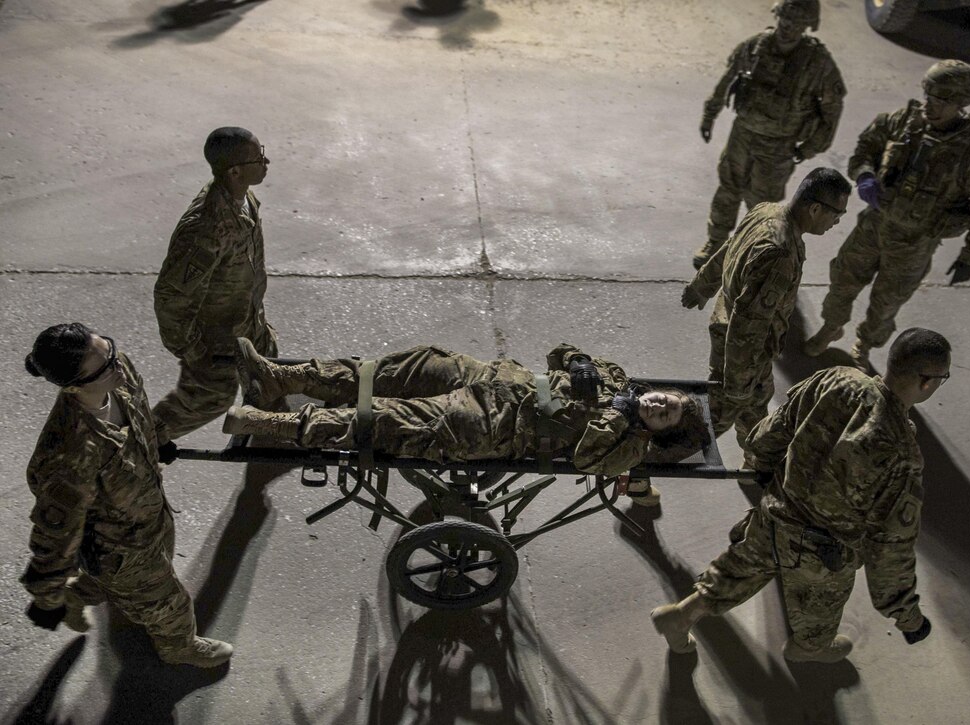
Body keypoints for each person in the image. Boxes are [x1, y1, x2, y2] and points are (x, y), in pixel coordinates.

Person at [650, 327, 948, 662]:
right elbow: (891, 549)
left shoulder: (836, 380)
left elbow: (773, 430)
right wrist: (906, 616)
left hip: (775, 513)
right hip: (820, 554)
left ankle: (681, 615)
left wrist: (761, 467)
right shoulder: (902, 457)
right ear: (927, 382)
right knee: (818, 609)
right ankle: (809, 648)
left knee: (741, 568)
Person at [20, 323, 232, 667]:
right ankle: (180, 646)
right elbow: (55, 536)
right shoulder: (69, 454)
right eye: (104, 366)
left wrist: (159, 438)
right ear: (74, 386)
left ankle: (80, 594)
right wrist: (46, 599)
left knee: (136, 573)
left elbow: (142, 413)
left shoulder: (120, 375)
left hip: (150, 510)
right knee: (169, 603)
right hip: (118, 548)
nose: (118, 364)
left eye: (109, 349)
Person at [221, 339, 711, 482]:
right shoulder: (621, 380)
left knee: (390, 419)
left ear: (657, 432)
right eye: (666, 398)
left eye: (664, 413)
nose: (658, 402)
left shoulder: (628, 446)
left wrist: (622, 416)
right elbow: (559, 354)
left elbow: (587, 459)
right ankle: (282, 378)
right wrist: (578, 360)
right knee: (411, 365)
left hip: (493, 424)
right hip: (495, 378)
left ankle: (275, 424)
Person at [804, 60, 970, 369]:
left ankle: (864, 344)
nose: (931, 106)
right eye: (928, 95)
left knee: (885, 305)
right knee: (843, 280)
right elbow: (866, 146)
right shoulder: (905, 122)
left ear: (961, 103)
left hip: (915, 242)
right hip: (874, 226)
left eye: (943, 100)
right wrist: (865, 174)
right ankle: (831, 327)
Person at [681, 167, 851, 459]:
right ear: (814, 208)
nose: (837, 222)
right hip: (741, 351)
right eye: (838, 214)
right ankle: (652, 458)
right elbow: (749, 322)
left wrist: (702, 285)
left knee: (757, 401)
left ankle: (756, 457)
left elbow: (729, 247)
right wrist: (737, 382)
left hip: (735, 336)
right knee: (719, 413)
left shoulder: (766, 211)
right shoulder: (780, 252)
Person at [693, 0, 846, 270]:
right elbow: (727, 79)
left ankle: (755, 252)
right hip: (742, 134)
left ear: (807, 26)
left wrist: (809, 148)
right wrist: (710, 113)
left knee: (763, 205)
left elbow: (832, 111)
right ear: (777, 16)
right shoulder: (756, 46)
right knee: (728, 189)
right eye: (785, 19)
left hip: (779, 145)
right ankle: (715, 242)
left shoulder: (819, 63)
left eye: (796, 23)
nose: (788, 27)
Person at [152, 126, 280, 443]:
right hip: (217, 343)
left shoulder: (242, 196)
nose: (267, 161)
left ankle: (263, 432)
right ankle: (134, 445)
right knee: (207, 401)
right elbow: (172, 298)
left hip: (250, 325)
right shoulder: (204, 228)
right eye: (258, 158)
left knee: (272, 380)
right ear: (235, 171)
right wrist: (194, 350)